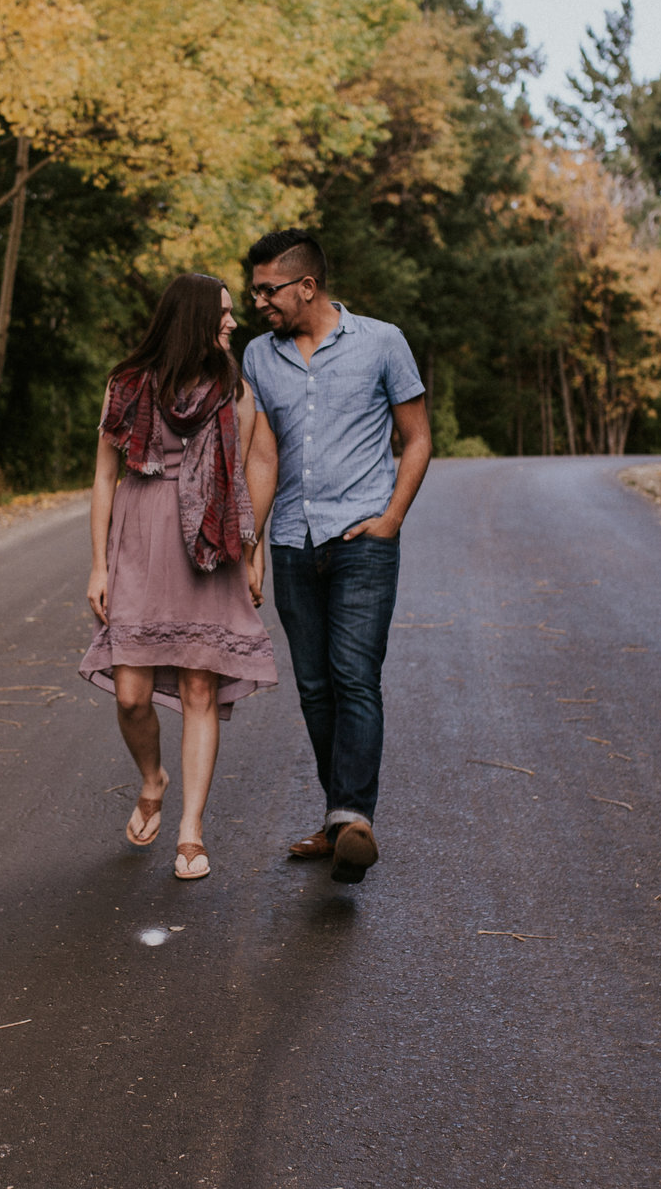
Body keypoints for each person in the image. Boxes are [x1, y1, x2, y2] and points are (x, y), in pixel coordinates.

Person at [239, 228, 430, 884]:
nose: (259, 301)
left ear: (307, 285)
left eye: (269, 289)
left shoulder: (382, 341)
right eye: (254, 289)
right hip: (294, 540)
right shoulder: (258, 358)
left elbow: (417, 437)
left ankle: (355, 817)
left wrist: (391, 519)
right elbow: (263, 454)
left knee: (354, 676)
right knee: (316, 688)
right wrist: (253, 544)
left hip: (362, 543)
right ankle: (340, 817)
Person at [80, 273, 279, 879]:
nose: (232, 322)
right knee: (132, 692)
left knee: (199, 689)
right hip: (138, 544)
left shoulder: (232, 388)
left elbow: (248, 470)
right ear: (192, 318)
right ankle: (152, 778)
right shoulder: (127, 385)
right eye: (221, 313)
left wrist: (253, 549)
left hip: (207, 547)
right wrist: (97, 566)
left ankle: (191, 829)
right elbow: (104, 478)